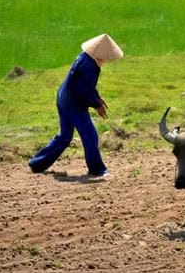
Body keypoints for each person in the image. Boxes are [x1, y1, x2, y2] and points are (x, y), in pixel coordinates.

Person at [28, 33, 123, 177]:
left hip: (63, 98)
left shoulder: (84, 57)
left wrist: (97, 98)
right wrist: (97, 104)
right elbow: (84, 90)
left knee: (65, 136)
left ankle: (37, 163)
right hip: (74, 104)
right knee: (90, 136)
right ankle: (97, 169)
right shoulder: (91, 66)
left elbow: (85, 86)